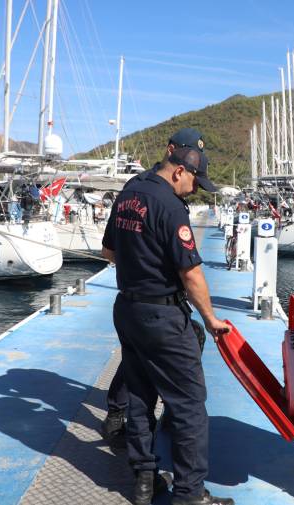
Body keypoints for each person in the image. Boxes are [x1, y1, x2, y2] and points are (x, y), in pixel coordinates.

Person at [101, 146, 234, 505]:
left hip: (127, 310)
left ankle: (145, 481)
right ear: (178, 171)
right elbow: (190, 274)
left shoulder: (130, 192)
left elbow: (109, 252)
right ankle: (190, 494)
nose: (194, 190)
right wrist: (210, 319)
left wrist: (140, 270)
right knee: (189, 407)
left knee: (140, 396)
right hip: (163, 318)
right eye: (194, 182)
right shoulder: (171, 206)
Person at [102, 128, 207, 440]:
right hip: (157, 302)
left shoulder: (137, 187)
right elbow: (188, 271)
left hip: (132, 301)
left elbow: (110, 250)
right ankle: (148, 415)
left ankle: (127, 417)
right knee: (163, 349)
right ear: (172, 153)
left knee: (139, 353)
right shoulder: (158, 195)